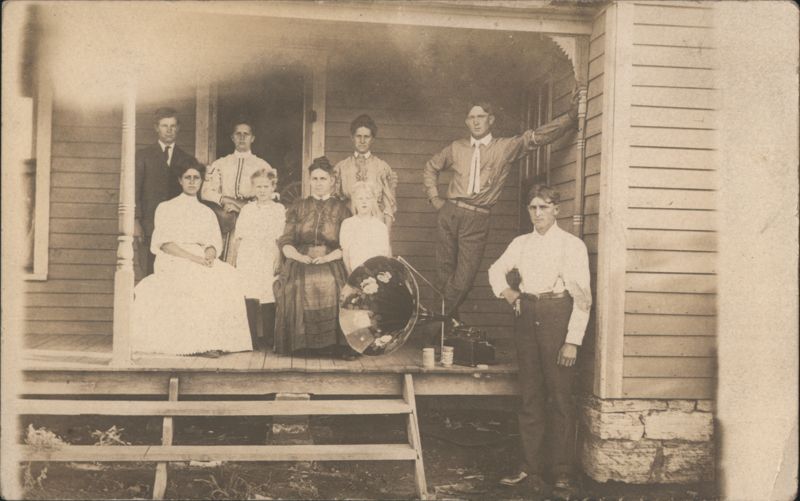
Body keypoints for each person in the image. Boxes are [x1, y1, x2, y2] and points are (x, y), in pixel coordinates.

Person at [423, 100, 577, 318]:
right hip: (449, 213)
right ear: (467, 122)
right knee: (442, 274)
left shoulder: (504, 147)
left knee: (464, 278)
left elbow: (535, 137)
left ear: (491, 120)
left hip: (477, 217)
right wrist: (434, 198)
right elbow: (431, 166)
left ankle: (434, 321)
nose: (476, 122)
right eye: (471, 118)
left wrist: (570, 119)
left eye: (481, 117)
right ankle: (442, 333)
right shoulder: (456, 147)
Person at [487, 184, 591, 492]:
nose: (538, 213)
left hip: (558, 315)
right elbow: (496, 270)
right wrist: (508, 292)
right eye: (532, 208)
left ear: (556, 209)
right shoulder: (521, 243)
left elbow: (582, 298)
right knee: (530, 394)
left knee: (560, 395)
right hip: (526, 315)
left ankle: (561, 470)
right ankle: (529, 467)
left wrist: (572, 340)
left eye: (543, 207)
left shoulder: (572, 245)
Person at [132, 159, 253, 357]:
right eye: (187, 177)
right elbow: (166, 244)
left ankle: (218, 340)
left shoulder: (206, 212)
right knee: (195, 278)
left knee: (227, 276)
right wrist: (194, 259)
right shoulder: (166, 207)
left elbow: (214, 243)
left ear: (201, 181)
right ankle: (198, 344)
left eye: (196, 178)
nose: (192, 182)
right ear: (180, 180)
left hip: (200, 257)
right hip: (173, 258)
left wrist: (209, 255)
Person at [274, 156, 353, 358]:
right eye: (315, 179)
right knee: (296, 285)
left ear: (332, 181)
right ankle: (302, 345)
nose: (319, 183)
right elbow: (286, 239)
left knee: (332, 284)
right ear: (309, 181)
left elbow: (347, 244)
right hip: (301, 258)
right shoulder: (298, 207)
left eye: (323, 179)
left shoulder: (342, 209)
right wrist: (298, 257)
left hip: (331, 258)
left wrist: (328, 258)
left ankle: (334, 345)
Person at [134, 107, 195, 282]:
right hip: (149, 224)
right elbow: (134, 190)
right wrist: (135, 221)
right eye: (164, 125)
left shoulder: (186, 158)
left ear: (178, 128)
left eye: (173, 126)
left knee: (174, 273)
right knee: (149, 273)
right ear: (156, 128)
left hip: (177, 226)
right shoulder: (143, 156)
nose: (169, 130)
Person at [201, 119, 276, 262]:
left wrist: (241, 206)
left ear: (252, 138)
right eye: (238, 134)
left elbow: (269, 195)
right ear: (232, 137)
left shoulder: (262, 165)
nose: (242, 137)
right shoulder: (221, 163)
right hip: (226, 217)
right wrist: (226, 200)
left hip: (254, 219)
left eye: (246, 134)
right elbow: (206, 192)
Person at [233, 168, 286, 350]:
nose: (262, 190)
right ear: (253, 188)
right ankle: (251, 338)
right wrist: (234, 260)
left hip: (268, 254)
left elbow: (280, 238)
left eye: (266, 186)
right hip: (249, 255)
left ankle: (269, 338)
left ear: (273, 187)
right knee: (249, 293)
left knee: (268, 293)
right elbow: (238, 237)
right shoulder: (247, 209)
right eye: (258, 187)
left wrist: (279, 259)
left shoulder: (279, 210)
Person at [334, 114, 398, 235]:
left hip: (375, 226)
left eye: (366, 137)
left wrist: (386, 236)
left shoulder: (382, 167)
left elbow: (388, 206)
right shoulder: (341, 167)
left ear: (372, 139)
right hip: (348, 224)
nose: (362, 141)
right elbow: (334, 204)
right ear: (352, 137)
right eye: (358, 136)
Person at [340, 181, 392, 274]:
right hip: (356, 274)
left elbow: (386, 253)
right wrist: (351, 277)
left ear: (373, 201)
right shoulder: (348, 224)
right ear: (354, 201)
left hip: (377, 274)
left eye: (368, 198)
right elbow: (346, 255)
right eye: (360, 198)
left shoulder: (380, 226)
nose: (364, 202)